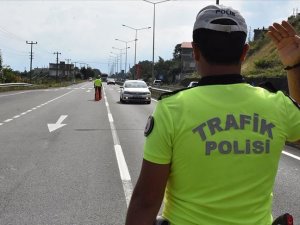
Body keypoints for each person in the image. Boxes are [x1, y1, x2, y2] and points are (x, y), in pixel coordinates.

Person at [125, 4, 300, 225]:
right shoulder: (278, 106)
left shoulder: (172, 109)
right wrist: (294, 65)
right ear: (245, 52)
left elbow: (146, 201)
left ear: (196, 51)